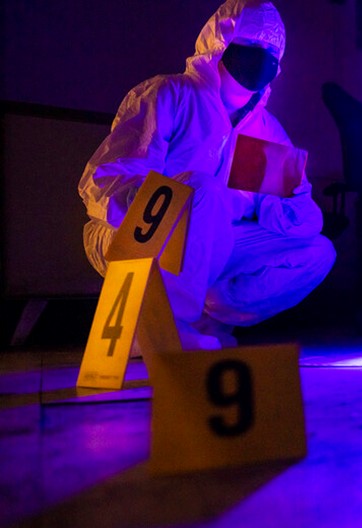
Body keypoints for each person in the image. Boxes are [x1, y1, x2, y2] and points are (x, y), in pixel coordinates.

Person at [79, 0, 335, 350]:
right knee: (202, 189)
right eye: (251, 45)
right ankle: (163, 325)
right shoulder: (169, 95)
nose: (261, 58)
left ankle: (204, 320)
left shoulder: (264, 130)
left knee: (318, 252)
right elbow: (107, 181)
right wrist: (186, 210)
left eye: (271, 52)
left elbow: (301, 221)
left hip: (213, 250)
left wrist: (290, 191)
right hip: (133, 240)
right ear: (221, 42)